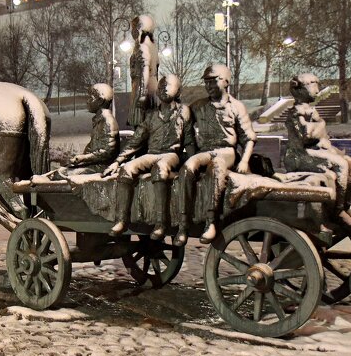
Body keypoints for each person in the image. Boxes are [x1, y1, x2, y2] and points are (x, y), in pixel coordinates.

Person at [177, 64, 256, 246]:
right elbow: (184, 124)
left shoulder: (236, 107)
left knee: (217, 167)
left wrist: (244, 161)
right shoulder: (199, 106)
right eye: (207, 82)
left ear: (226, 81)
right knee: (187, 168)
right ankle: (182, 224)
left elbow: (249, 138)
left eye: (214, 81)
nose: (209, 86)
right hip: (205, 151)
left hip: (226, 151)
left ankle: (210, 221)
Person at [105, 75, 189, 239]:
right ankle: (121, 220)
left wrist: (194, 163)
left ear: (177, 90)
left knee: (160, 169)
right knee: (126, 170)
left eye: (169, 86)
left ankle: (160, 223)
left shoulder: (183, 112)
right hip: (152, 153)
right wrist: (118, 161)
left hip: (172, 154)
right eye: (162, 86)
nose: (164, 89)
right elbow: (136, 141)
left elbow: (190, 139)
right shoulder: (151, 116)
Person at [283, 72, 351, 228]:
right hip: (299, 156)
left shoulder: (311, 110)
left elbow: (319, 132)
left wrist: (319, 126)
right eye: (311, 85)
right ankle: (337, 211)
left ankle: (344, 205)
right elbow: (307, 136)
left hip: (313, 151)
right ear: (299, 90)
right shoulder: (295, 113)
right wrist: (320, 125)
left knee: (349, 162)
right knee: (341, 165)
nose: (316, 90)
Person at [59, 83, 119, 175]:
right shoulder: (100, 120)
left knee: (62, 174)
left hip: (101, 167)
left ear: (100, 101)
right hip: (94, 164)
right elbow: (93, 147)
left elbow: (107, 152)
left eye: (90, 98)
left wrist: (84, 158)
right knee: (61, 171)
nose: (87, 101)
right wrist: (80, 158)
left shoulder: (107, 121)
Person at [128, 14, 159, 127]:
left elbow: (144, 70)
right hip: (150, 89)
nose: (132, 32)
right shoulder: (151, 47)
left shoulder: (142, 47)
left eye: (133, 28)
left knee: (140, 124)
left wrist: (141, 95)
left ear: (139, 29)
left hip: (142, 88)